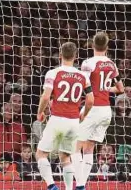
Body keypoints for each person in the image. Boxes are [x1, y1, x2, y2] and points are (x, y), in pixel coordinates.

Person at [35, 42, 95, 190]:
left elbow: (45, 97)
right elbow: (91, 100)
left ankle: (51, 186)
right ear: (75, 56)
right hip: (74, 121)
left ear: (60, 55)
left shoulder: (53, 73)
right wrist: (83, 115)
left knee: (41, 153)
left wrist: (40, 112)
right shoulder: (82, 76)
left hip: (57, 119)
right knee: (65, 157)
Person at [73, 32, 124, 190]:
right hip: (106, 111)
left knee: (75, 147)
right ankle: (82, 184)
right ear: (107, 47)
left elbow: (84, 85)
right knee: (89, 148)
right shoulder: (111, 64)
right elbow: (121, 89)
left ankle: (80, 184)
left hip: (93, 109)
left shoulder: (88, 63)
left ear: (92, 45)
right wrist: (105, 88)